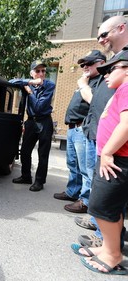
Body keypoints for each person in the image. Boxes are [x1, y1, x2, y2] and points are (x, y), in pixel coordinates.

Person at [73, 15, 128, 248]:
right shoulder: (117, 60)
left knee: (107, 199)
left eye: (104, 34)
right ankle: (105, 237)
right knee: (101, 194)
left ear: (121, 28)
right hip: (100, 137)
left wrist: (107, 150)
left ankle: (107, 245)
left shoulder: (124, 59)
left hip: (115, 147)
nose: (100, 39)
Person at [54, 50, 106, 214]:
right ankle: (72, 192)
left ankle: (85, 200)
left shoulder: (101, 81)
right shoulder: (87, 80)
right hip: (72, 128)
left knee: (86, 168)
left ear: (101, 63)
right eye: (83, 64)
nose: (85, 66)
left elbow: (94, 102)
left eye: (89, 63)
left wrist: (83, 84)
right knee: (73, 164)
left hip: (83, 128)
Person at [10, 60, 55, 192]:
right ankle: (26, 176)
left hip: (44, 121)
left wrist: (30, 92)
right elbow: (12, 82)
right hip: (30, 121)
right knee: (24, 151)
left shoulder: (49, 85)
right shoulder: (28, 83)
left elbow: (39, 106)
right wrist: (30, 82)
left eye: (43, 71)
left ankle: (39, 181)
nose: (41, 74)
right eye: (37, 71)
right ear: (32, 73)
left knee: (43, 153)